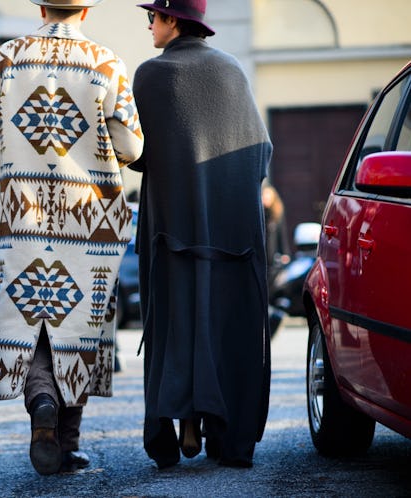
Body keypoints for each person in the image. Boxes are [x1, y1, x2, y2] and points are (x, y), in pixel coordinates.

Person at [0, 0, 143, 476]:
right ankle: (68, 440)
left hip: (22, 215)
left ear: (40, 7)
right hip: (89, 217)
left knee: (29, 310)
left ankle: (40, 402)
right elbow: (132, 146)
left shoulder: (6, 57)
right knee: (79, 318)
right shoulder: (106, 63)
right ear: (86, 11)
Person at [130, 0, 272, 469]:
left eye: (152, 16)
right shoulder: (231, 70)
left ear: (173, 20)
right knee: (226, 327)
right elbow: (261, 152)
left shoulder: (151, 75)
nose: (149, 24)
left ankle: (176, 428)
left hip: (172, 229)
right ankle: (227, 439)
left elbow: (137, 154)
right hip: (233, 233)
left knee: (175, 323)